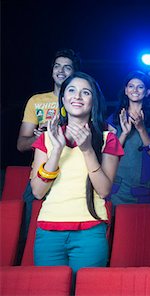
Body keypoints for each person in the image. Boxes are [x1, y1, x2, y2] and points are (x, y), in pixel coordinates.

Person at [30, 72, 123, 278]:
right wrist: (56, 150)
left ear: (94, 101)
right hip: (48, 232)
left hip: (90, 232)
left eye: (85, 92)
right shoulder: (47, 138)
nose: (77, 96)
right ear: (63, 99)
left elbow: (104, 190)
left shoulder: (108, 139)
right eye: (71, 90)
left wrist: (88, 149)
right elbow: (37, 191)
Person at [15, 48, 81, 263]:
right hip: (41, 174)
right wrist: (42, 138)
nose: (61, 70)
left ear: (74, 72)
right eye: (57, 66)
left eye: (67, 67)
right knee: (27, 230)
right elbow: (21, 144)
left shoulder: (79, 101)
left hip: (72, 177)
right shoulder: (37, 101)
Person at [106, 70, 150, 206]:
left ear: (147, 92)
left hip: (143, 184)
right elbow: (110, 154)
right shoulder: (114, 118)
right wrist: (124, 133)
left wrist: (141, 128)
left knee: (144, 223)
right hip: (118, 184)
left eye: (140, 87)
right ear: (125, 90)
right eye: (131, 86)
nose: (135, 90)